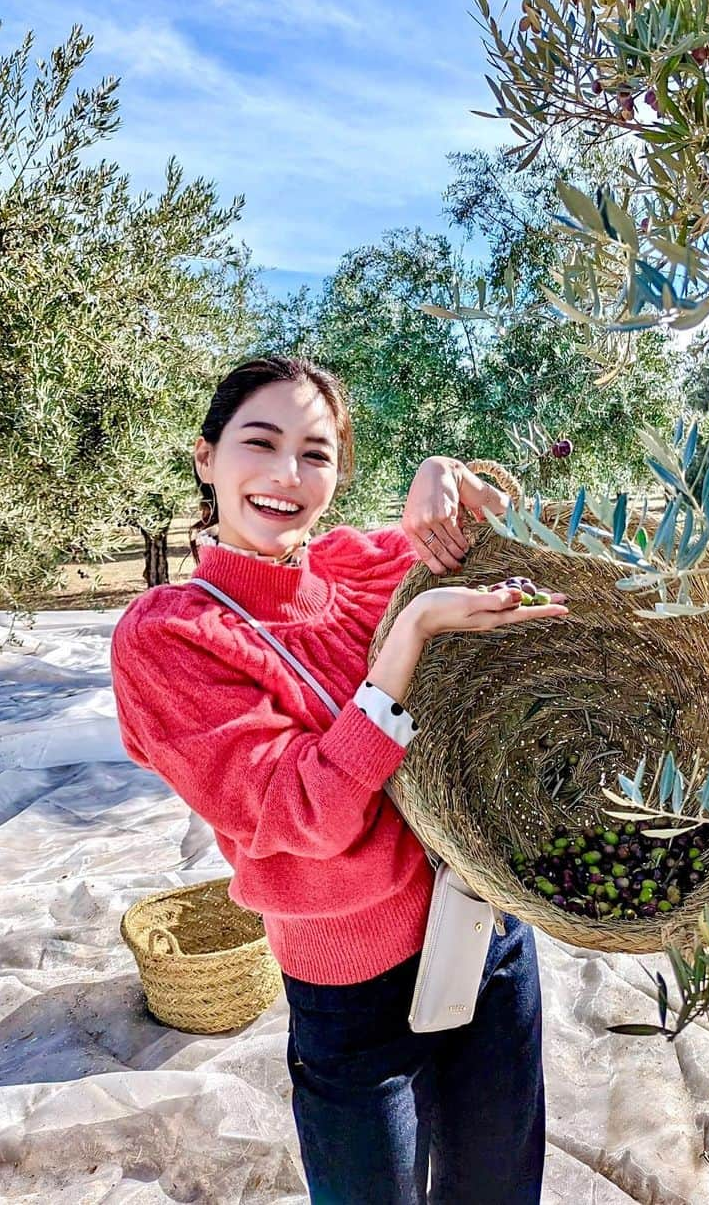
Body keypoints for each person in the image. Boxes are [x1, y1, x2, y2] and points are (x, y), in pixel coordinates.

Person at [109, 354, 568, 1204]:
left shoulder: (361, 570)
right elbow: (299, 813)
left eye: (316, 454)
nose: (287, 476)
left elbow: (499, 535)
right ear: (207, 457)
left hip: (489, 927)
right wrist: (409, 643)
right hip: (355, 989)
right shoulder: (170, 636)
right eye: (261, 442)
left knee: (501, 1189)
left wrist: (443, 472)